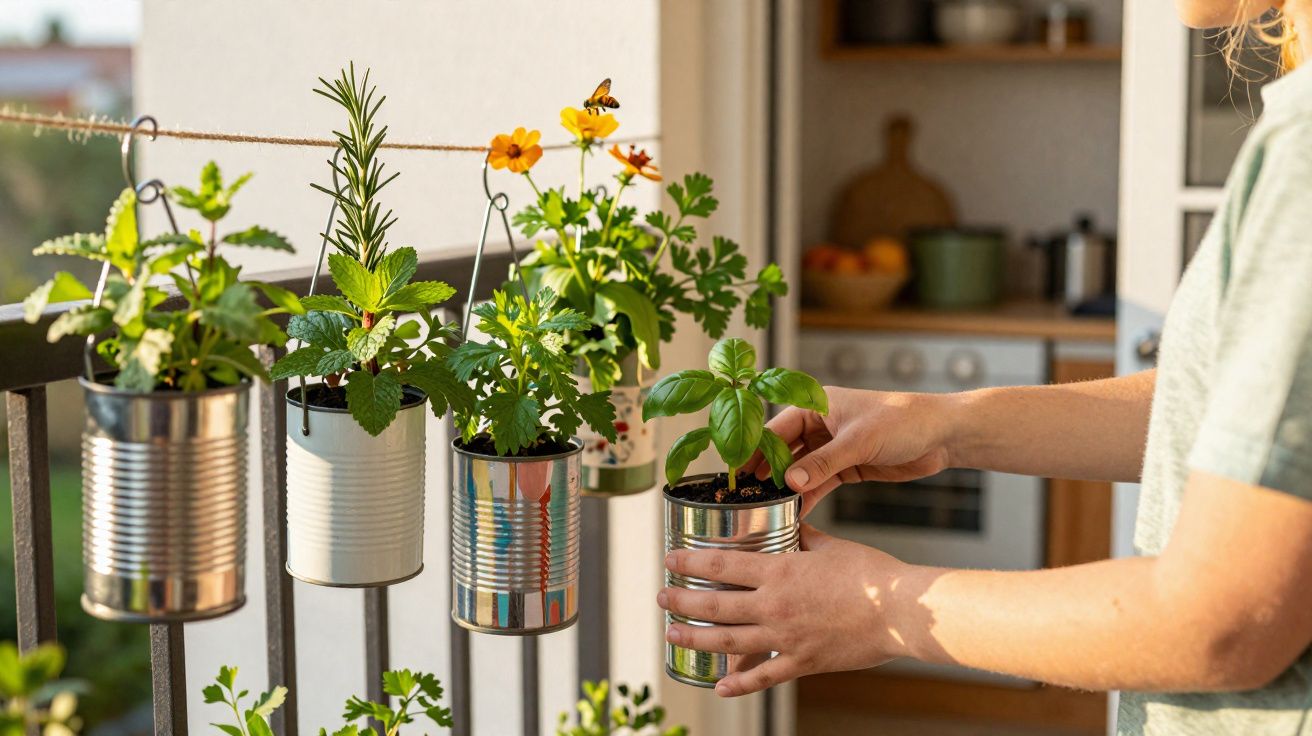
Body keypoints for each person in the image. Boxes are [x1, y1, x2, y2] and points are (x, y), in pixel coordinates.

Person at [656, 1, 1312, 732]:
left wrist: (889, 609)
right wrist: (946, 424)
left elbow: (1223, 623)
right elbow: (1230, 422)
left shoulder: (1303, 156)